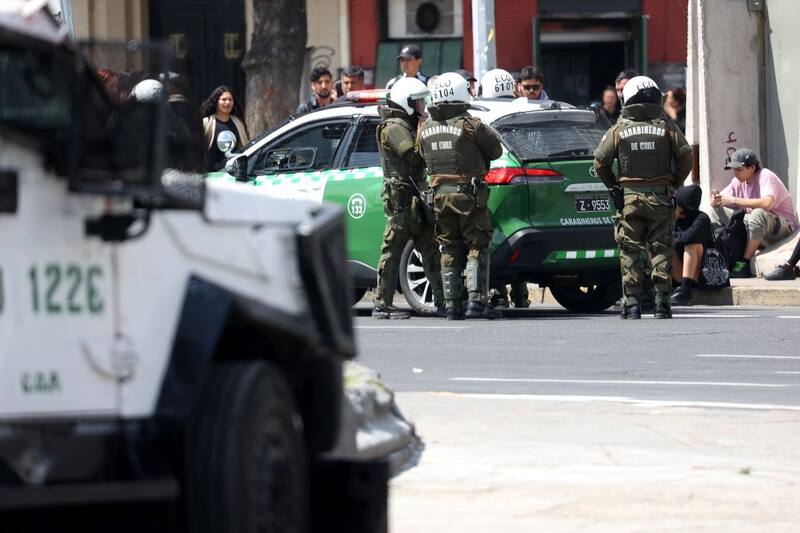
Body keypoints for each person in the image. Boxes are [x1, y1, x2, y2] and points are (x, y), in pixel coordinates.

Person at [594, 76, 693, 319]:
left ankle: (633, 304)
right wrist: (673, 183)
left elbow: (599, 161)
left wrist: (614, 187)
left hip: (629, 199)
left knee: (630, 251)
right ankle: (662, 304)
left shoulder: (619, 129)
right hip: (660, 198)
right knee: (661, 250)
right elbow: (686, 156)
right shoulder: (667, 127)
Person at [418, 72, 504, 320]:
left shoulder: (426, 127)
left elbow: (421, 156)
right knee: (477, 245)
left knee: (449, 247)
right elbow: (496, 150)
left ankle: (452, 305)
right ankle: (476, 302)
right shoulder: (471, 125)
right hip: (468, 197)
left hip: (438, 197)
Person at [372, 77, 445, 319]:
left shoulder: (406, 123)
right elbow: (413, 156)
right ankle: (382, 304)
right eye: (419, 103)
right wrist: (423, 130)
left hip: (415, 197)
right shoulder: (393, 127)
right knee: (392, 249)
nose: (423, 108)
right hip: (401, 198)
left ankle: (444, 301)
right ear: (407, 102)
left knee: (429, 246)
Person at [710, 148, 798, 278]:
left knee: (757, 214)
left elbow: (767, 203)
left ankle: (745, 262)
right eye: (733, 170)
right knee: (715, 211)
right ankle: (722, 252)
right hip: (757, 227)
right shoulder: (737, 182)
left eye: (739, 169)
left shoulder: (766, 176)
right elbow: (717, 200)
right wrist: (715, 200)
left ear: (751, 167)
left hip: (781, 229)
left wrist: (734, 200)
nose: (735, 173)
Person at [671, 185, 713, 305]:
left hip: (701, 273)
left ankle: (685, 291)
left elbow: (687, 238)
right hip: (679, 272)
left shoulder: (701, 218)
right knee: (660, 245)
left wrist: (672, 237)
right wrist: (673, 218)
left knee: (691, 245)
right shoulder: (673, 220)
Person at [201, 85, 249, 172]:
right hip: (212, 174)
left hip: (233, 173)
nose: (227, 102)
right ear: (216, 102)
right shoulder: (206, 122)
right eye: (224, 99)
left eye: (230, 100)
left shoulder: (238, 123)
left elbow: (244, 146)